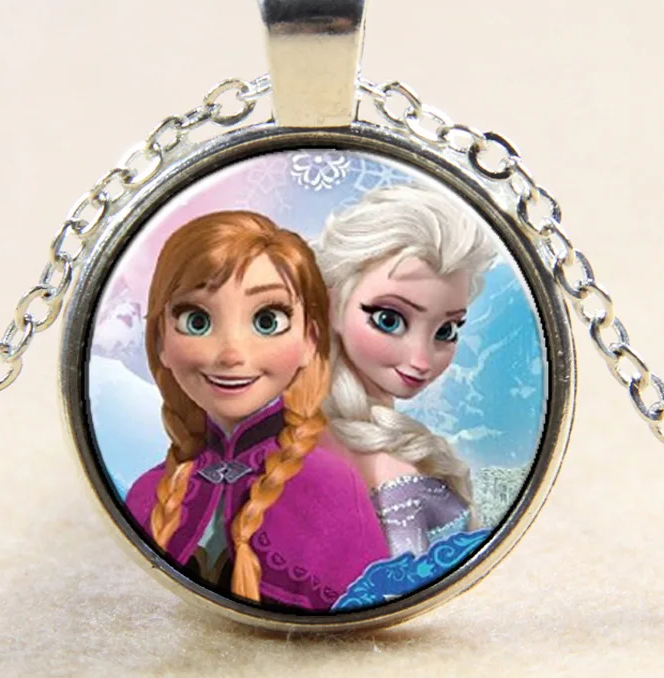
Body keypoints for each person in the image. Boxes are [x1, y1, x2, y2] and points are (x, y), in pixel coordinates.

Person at [125, 210, 390, 611]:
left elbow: (364, 615)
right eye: (196, 320)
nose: (232, 355)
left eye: (267, 320)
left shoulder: (332, 488)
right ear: (161, 340)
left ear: (310, 340)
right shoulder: (147, 494)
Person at [313, 182, 498, 558]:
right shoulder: (389, 475)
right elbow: (397, 580)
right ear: (332, 304)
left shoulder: (371, 449)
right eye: (389, 319)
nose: (422, 360)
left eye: (446, 331)